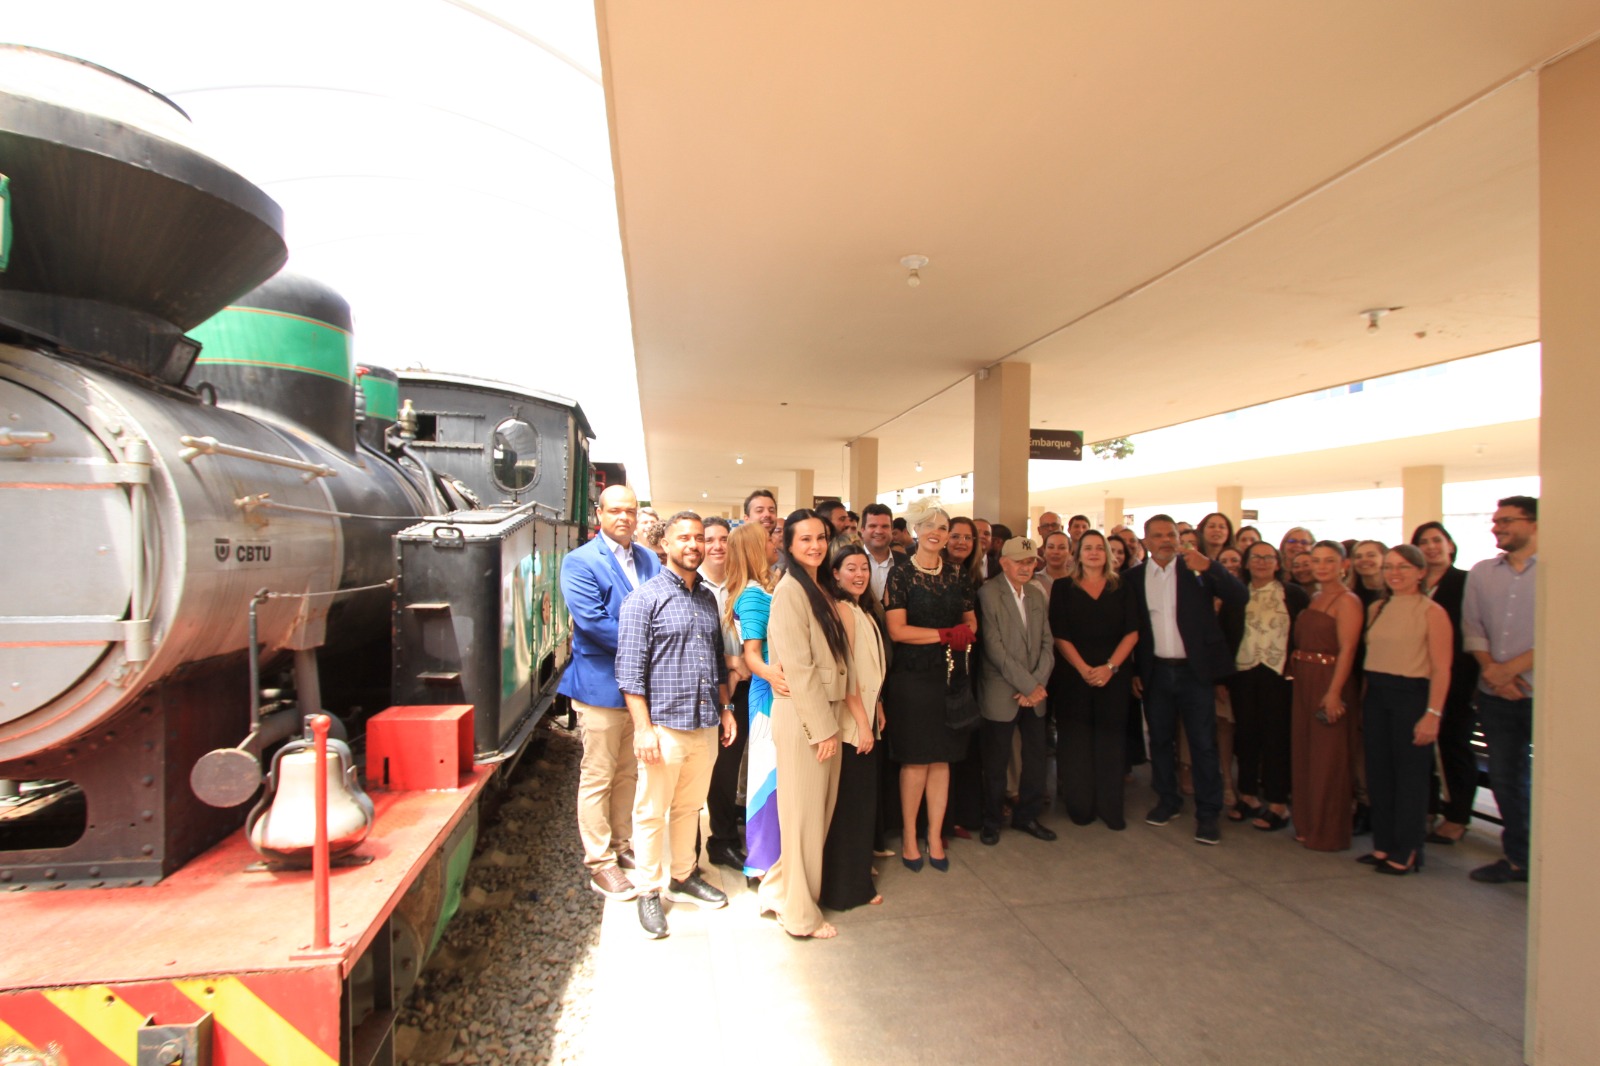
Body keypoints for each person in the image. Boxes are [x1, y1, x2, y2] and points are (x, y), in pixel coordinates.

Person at [615, 512, 736, 938]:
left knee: (690, 808)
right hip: (663, 726)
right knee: (651, 813)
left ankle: (683, 876)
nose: (694, 544)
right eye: (684, 537)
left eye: (699, 538)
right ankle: (649, 890)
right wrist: (643, 729)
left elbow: (718, 664)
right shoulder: (643, 599)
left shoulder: (706, 598)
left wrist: (726, 709)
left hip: (703, 723)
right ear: (664, 544)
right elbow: (629, 673)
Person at [558, 484, 661, 902]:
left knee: (628, 773)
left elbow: (662, 606)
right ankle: (600, 864)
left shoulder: (650, 558)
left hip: (641, 689)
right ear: (599, 513)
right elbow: (593, 623)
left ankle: (622, 845)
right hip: (601, 687)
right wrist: (653, 643)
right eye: (615, 510)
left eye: (631, 511)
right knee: (598, 776)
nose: (624, 518)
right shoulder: (579, 562)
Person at [759, 510, 853, 939]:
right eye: (805, 540)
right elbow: (798, 666)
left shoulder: (816, 587)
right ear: (790, 546)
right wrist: (824, 729)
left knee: (814, 814)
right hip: (804, 719)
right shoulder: (790, 591)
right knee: (802, 820)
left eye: (821, 537)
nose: (815, 545)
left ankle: (778, 889)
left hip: (821, 714)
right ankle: (799, 915)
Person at [1127, 515, 1247, 844]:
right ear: (1146, 541)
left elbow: (1239, 597)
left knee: (1203, 743)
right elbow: (1133, 628)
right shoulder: (1134, 578)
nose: (1166, 540)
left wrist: (1211, 567)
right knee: (1161, 741)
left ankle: (1208, 813)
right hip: (1156, 672)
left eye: (1171, 534)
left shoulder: (1196, 569)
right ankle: (1168, 800)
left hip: (1195, 672)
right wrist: (1136, 670)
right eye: (1158, 535)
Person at [884, 504, 977, 872]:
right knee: (916, 760)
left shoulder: (957, 575)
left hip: (951, 675)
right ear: (918, 531)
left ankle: (935, 835)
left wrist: (964, 634)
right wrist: (944, 635)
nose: (938, 533)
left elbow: (971, 622)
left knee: (942, 760)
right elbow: (897, 631)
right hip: (912, 679)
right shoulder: (901, 575)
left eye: (944, 527)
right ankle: (910, 835)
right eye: (931, 527)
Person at [1360, 545, 1452, 875]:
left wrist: (1433, 714)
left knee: (1410, 776)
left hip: (1411, 695)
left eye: (1403, 567)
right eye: (1389, 567)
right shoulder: (1378, 608)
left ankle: (1409, 848)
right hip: (1377, 694)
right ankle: (1383, 844)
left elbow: (1442, 669)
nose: (1394, 573)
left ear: (1420, 572)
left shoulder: (1432, 612)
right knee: (1380, 773)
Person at [1462, 496, 1538, 884]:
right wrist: (1495, 673)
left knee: (1557, 783)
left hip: (1544, 695)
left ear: (1535, 523)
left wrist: (1512, 671)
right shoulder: (1482, 573)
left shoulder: (1562, 570)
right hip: (1495, 695)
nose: (1496, 527)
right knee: (1507, 778)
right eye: (1494, 521)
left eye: (1506, 520)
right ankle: (1518, 858)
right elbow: (1473, 629)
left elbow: (1565, 629)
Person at [1051, 530, 1139, 829]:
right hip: (1074, 676)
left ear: (1108, 553)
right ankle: (1081, 806)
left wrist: (1109, 668)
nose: (1093, 553)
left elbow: (1133, 632)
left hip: (1113, 676)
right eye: (1087, 548)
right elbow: (1059, 634)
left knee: (1110, 743)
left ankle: (1110, 807)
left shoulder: (1123, 586)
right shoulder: (1063, 588)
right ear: (1077, 554)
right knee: (1076, 744)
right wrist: (1084, 668)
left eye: (1098, 548)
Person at [975, 537, 1058, 845]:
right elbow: (995, 650)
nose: (1027, 567)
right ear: (1005, 563)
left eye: (1031, 562)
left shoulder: (1037, 595)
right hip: (1002, 693)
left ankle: (1028, 816)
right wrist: (1029, 685)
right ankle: (992, 820)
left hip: (1033, 693)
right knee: (996, 763)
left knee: (1036, 759)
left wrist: (1037, 685)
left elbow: (1048, 644)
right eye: (1021, 562)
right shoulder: (988, 594)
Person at [820, 539, 888, 911]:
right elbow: (844, 672)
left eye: (864, 568)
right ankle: (846, 889)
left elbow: (869, 668)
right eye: (851, 568)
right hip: (849, 725)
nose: (859, 574)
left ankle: (857, 875)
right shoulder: (843, 609)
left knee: (861, 804)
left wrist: (877, 708)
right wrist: (862, 722)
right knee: (850, 807)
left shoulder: (860, 608)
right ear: (835, 573)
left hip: (865, 717)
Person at [1222, 541, 1308, 831]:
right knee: (1246, 736)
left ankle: (1277, 803)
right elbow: (1225, 635)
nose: (1261, 562)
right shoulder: (1236, 593)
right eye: (1255, 557)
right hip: (1243, 673)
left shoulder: (1292, 594)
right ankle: (1247, 795)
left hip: (1279, 675)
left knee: (1276, 737)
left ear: (1278, 562)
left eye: (1267, 557)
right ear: (1245, 563)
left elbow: (1304, 632)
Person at [1410, 521, 1481, 846]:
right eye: (1423, 542)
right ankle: (1427, 807)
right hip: (1417, 678)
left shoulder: (1466, 583)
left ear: (1450, 545)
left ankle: (1457, 817)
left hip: (1457, 680)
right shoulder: (1415, 585)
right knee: (1421, 749)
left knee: (1454, 748)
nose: (1431, 547)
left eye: (1437, 541)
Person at [1289, 541, 1363, 852]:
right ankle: (1307, 823)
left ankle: (1328, 829)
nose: (1321, 566)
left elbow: (1348, 649)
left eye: (1329, 561)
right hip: (1304, 679)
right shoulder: (1317, 596)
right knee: (1306, 753)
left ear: (1344, 565)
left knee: (1328, 759)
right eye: (1316, 560)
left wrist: (1334, 693)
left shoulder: (1348, 601)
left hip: (1329, 681)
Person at [728, 521, 785, 880]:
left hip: (773, 690)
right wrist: (776, 675)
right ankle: (762, 863)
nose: (774, 542)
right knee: (767, 777)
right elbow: (752, 654)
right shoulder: (752, 595)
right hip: (768, 696)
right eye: (768, 539)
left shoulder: (762, 589)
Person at [699, 517, 752, 872]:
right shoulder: (692, 586)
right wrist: (731, 661)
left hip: (741, 688)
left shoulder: (742, 587)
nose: (718, 546)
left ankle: (723, 837)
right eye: (710, 539)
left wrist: (740, 663)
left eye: (724, 539)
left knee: (728, 764)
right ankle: (703, 847)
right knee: (704, 769)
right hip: (702, 691)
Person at [861, 503, 898, 604]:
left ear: (891, 530)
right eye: (873, 526)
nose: (879, 531)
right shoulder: (848, 562)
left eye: (885, 526)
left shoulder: (906, 562)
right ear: (862, 530)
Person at [1349, 539, 1388, 609]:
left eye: (1371, 555)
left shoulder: (1396, 593)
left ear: (1386, 558)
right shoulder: (1348, 595)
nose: (1364, 560)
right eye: (1358, 557)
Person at [1036, 531, 1073, 595]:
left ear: (1070, 551)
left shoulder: (1078, 579)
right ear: (1044, 550)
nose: (1055, 552)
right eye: (1051, 547)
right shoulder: (1034, 580)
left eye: (1061, 548)